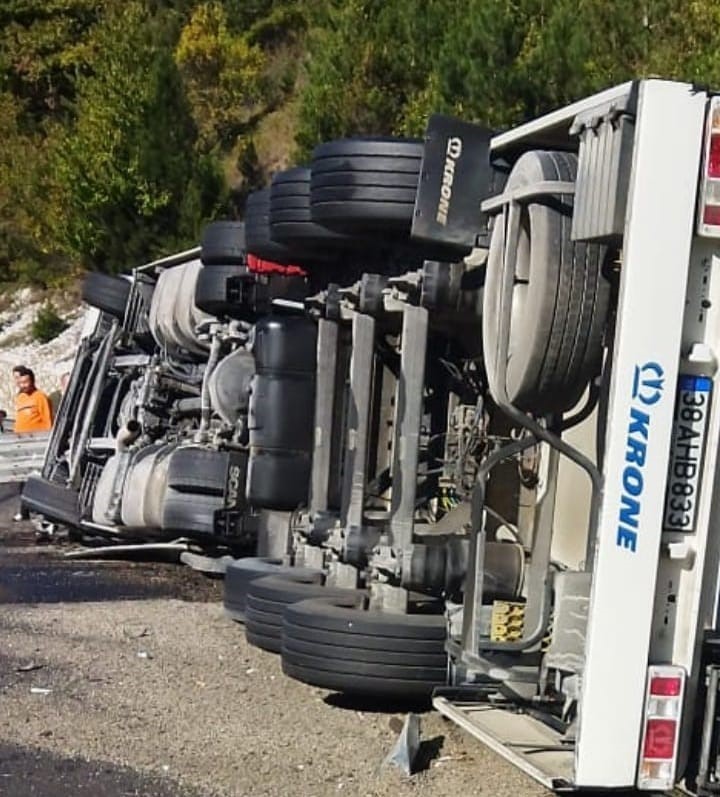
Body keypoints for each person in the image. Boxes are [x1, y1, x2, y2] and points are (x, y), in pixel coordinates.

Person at [14, 367, 53, 434]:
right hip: (20, 439)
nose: (23, 385)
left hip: (36, 439)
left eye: (25, 382)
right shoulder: (20, 397)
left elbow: (48, 420)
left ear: (32, 381)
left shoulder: (40, 397)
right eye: (21, 383)